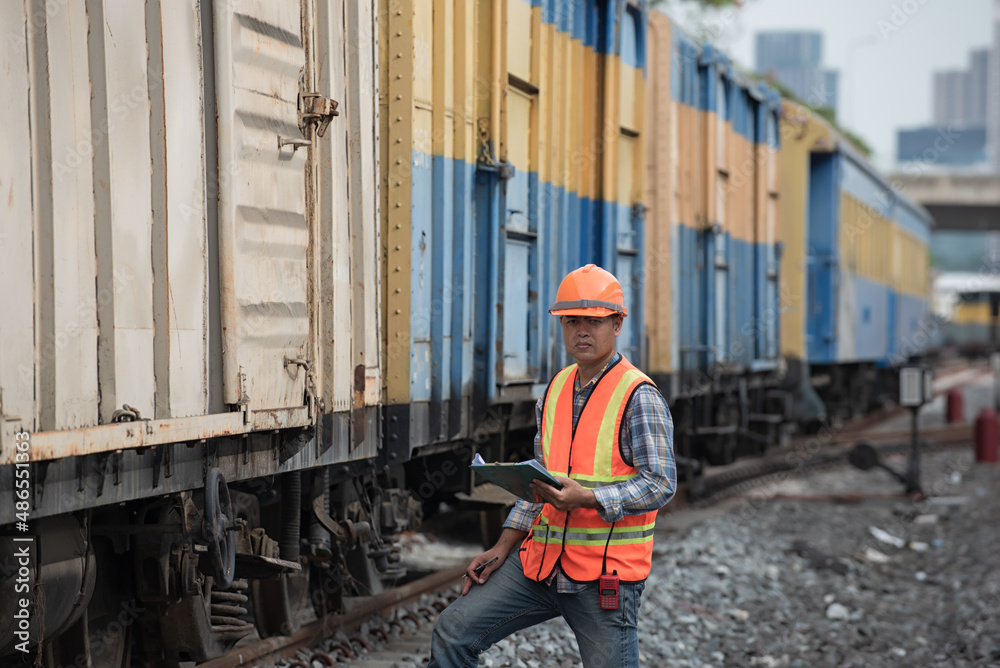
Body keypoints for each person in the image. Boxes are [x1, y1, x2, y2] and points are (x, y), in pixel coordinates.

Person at [428, 264, 676, 668]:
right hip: (539, 566)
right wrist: (501, 547)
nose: (582, 330)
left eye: (593, 321)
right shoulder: (556, 389)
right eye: (572, 320)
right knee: (453, 633)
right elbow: (539, 483)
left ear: (617, 324)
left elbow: (661, 483)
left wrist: (589, 498)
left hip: (602, 579)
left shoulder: (639, 396)